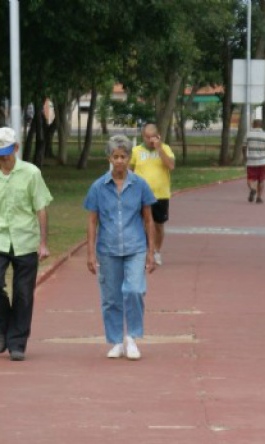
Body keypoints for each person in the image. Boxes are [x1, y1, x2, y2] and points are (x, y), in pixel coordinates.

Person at [0, 127, 53, 361]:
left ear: (16, 148)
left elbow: (41, 208)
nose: (3, 159)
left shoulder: (32, 173)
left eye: (7, 153)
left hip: (26, 239)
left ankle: (17, 343)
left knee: (23, 294)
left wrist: (43, 243)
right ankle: (3, 328)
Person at [84, 135, 157, 360]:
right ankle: (115, 340)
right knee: (111, 297)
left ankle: (132, 338)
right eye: (115, 156)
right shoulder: (98, 187)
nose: (119, 161)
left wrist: (151, 252)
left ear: (129, 158)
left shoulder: (140, 185)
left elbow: (148, 219)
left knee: (134, 290)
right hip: (107, 249)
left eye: (123, 156)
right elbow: (92, 221)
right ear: (109, 158)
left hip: (135, 246)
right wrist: (90, 252)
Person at [130, 123, 175, 266]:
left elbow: (171, 166)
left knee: (158, 225)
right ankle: (144, 251)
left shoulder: (165, 149)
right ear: (143, 136)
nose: (150, 140)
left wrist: (159, 148)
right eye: (147, 137)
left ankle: (156, 250)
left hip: (160, 194)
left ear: (158, 136)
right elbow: (129, 170)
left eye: (153, 137)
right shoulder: (136, 151)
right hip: (140, 195)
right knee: (141, 224)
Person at [242, 119, 265, 204]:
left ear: (253, 125)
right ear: (261, 125)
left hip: (251, 161)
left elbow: (244, 146)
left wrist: (245, 156)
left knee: (250, 178)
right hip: (262, 161)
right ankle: (259, 198)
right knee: (261, 180)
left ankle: (252, 189)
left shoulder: (248, 134)